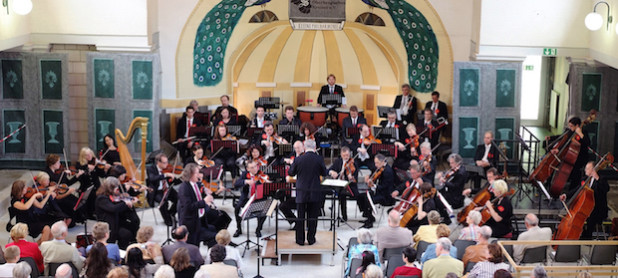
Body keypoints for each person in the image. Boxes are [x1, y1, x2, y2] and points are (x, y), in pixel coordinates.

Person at [288, 139, 327, 245]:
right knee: (313, 217)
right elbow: (324, 172)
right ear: (315, 148)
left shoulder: (298, 159)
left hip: (301, 192)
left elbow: (291, 173)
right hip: (314, 191)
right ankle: (311, 239)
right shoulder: (319, 159)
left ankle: (300, 240)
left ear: (304, 148)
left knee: (300, 217)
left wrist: (292, 164)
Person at [560, 161, 609, 239]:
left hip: (598, 209)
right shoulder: (585, 179)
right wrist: (566, 195)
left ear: (593, 170)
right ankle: (582, 235)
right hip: (588, 208)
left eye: (587, 168)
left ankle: (587, 237)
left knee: (590, 217)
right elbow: (577, 189)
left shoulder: (601, 178)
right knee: (580, 214)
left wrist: (597, 178)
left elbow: (606, 188)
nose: (585, 170)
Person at [545, 116, 590, 193]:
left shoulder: (584, 132)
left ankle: (571, 191)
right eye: (569, 126)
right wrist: (551, 138)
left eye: (572, 126)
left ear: (577, 126)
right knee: (554, 163)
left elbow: (587, 143)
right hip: (570, 156)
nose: (570, 127)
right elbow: (563, 138)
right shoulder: (570, 131)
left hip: (580, 158)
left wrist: (580, 133)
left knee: (575, 172)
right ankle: (548, 183)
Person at [177, 163, 217, 246]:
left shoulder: (195, 184)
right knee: (193, 245)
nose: (199, 175)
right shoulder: (184, 188)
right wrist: (204, 201)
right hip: (190, 223)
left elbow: (200, 193)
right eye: (197, 173)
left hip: (198, 220)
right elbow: (189, 207)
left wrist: (206, 192)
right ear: (190, 174)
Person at [95, 177, 140, 249]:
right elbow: (113, 208)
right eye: (116, 188)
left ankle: (130, 246)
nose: (118, 191)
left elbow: (119, 207)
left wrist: (128, 203)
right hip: (109, 224)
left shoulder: (112, 196)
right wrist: (125, 203)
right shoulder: (101, 198)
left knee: (133, 226)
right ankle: (121, 249)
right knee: (125, 234)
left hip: (117, 221)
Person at [232, 160, 270, 237]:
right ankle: (239, 229)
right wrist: (246, 181)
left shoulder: (262, 175)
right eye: (252, 167)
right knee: (237, 208)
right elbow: (236, 184)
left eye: (255, 166)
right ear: (248, 169)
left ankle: (258, 229)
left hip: (258, 198)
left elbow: (268, 189)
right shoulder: (245, 174)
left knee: (266, 209)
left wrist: (267, 183)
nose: (255, 169)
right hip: (247, 198)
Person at [361, 154, 397, 227]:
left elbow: (385, 187)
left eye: (377, 163)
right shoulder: (380, 167)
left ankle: (370, 221)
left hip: (386, 196)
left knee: (367, 200)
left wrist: (373, 185)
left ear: (383, 162)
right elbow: (373, 173)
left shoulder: (388, 171)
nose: (375, 165)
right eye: (375, 163)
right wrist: (369, 177)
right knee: (361, 196)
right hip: (379, 192)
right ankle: (368, 216)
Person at [327, 146, 361, 222]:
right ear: (341, 155)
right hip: (338, 184)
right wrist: (332, 172)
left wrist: (351, 177)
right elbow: (328, 170)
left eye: (347, 155)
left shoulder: (354, 163)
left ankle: (344, 216)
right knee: (324, 189)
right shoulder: (338, 161)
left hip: (350, 186)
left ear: (350, 154)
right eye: (344, 155)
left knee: (342, 194)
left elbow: (355, 177)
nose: (346, 157)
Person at [146, 153, 180, 227]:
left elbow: (175, 182)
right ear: (158, 162)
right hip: (157, 191)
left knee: (179, 198)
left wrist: (180, 178)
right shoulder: (150, 169)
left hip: (168, 189)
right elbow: (152, 178)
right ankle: (167, 220)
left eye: (167, 162)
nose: (167, 164)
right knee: (163, 202)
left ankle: (171, 213)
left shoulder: (168, 169)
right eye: (164, 163)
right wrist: (165, 175)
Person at [75, 147, 106, 218]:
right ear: (83, 156)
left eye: (90, 154)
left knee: (100, 195)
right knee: (90, 196)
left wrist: (99, 167)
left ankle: (98, 212)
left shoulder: (95, 162)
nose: (89, 156)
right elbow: (80, 179)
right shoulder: (79, 164)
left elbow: (102, 175)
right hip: (86, 188)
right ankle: (90, 213)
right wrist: (87, 169)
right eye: (86, 155)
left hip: (96, 186)